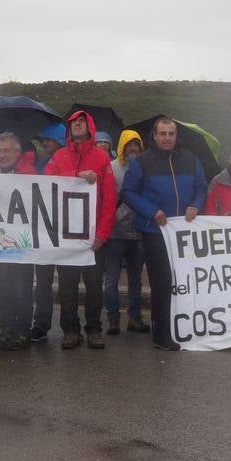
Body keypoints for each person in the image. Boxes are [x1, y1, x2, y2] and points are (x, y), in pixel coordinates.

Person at [119, 116, 207, 351]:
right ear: (155, 136)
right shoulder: (142, 162)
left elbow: (201, 187)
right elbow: (128, 192)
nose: (167, 138)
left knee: (184, 280)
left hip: (184, 232)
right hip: (155, 231)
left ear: (176, 136)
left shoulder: (191, 159)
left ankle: (185, 325)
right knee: (162, 282)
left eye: (171, 134)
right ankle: (162, 333)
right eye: (163, 134)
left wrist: (196, 204)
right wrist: (151, 211)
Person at [44, 110, 116, 350]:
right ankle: (70, 330)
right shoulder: (59, 157)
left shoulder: (102, 158)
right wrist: (77, 176)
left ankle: (94, 329)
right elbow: (47, 185)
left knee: (95, 286)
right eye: (73, 122)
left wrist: (102, 234)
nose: (77, 124)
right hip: (67, 236)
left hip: (93, 236)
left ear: (89, 127)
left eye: (81, 121)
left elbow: (109, 200)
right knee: (67, 287)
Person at [0, 132, 35, 350]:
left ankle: (22, 331)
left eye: (6, 150)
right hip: (0, 246)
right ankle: (6, 328)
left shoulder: (29, 173)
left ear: (17, 152)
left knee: (22, 288)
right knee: (2, 287)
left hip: (23, 246)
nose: (2, 155)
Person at [104, 130, 148, 335]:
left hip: (138, 231)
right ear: (122, 145)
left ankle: (135, 318)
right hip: (115, 232)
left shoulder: (145, 168)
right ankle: (113, 319)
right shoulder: (111, 168)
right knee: (111, 279)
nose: (133, 148)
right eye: (129, 144)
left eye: (136, 144)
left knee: (135, 279)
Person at [29, 122, 66, 342]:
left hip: (65, 232)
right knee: (42, 281)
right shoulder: (41, 164)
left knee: (66, 282)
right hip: (44, 231)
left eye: (48, 141)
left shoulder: (70, 161)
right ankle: (41, 324)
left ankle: (69, 327)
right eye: (43, 142)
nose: (44, 144)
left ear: (59, 141)